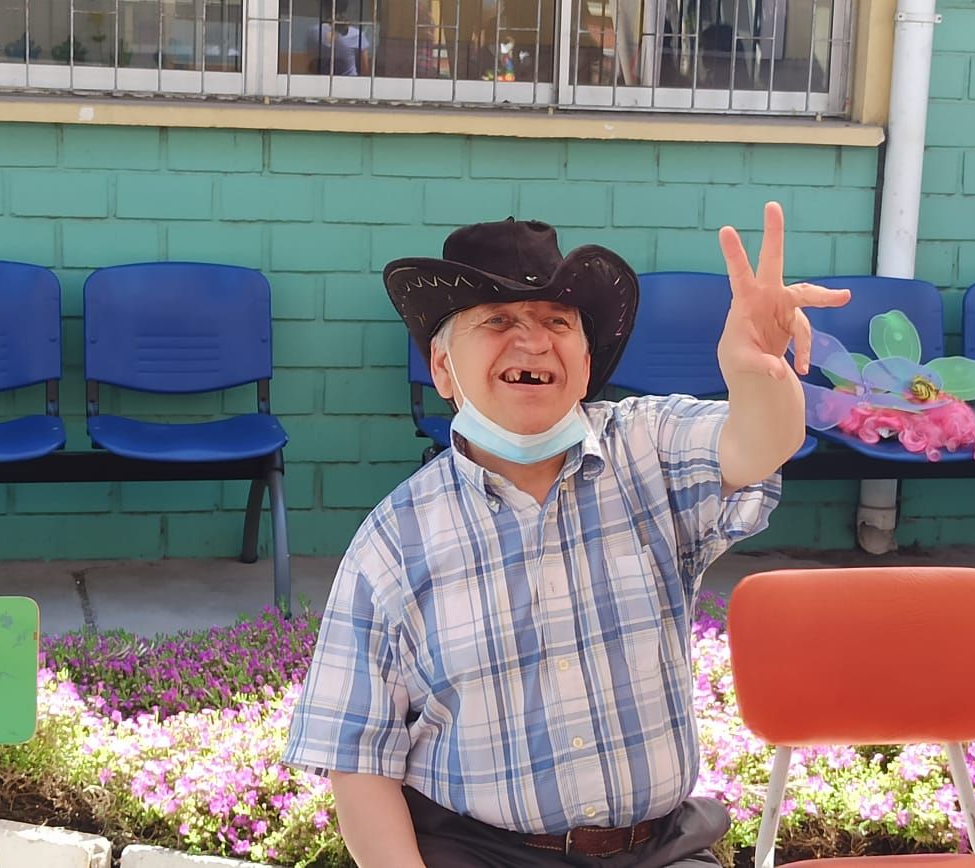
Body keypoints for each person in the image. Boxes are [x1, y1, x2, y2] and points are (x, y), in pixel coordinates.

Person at [283, 203, 850, 867]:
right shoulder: (394, 540)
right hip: (482, 853)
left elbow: (756, 444)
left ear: (584, 363)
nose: (532, 342)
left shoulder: (648, 448)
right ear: (442, 368)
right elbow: (358, 760)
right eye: (497, 321)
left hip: (657, 850)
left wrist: (759, 374)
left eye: (557, 322)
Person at [308, 0, 369, 76]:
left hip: (328, 80)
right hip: (346, 81)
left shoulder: (315, 31)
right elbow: (364, 69)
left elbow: (311, 66)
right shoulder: (357, 34)